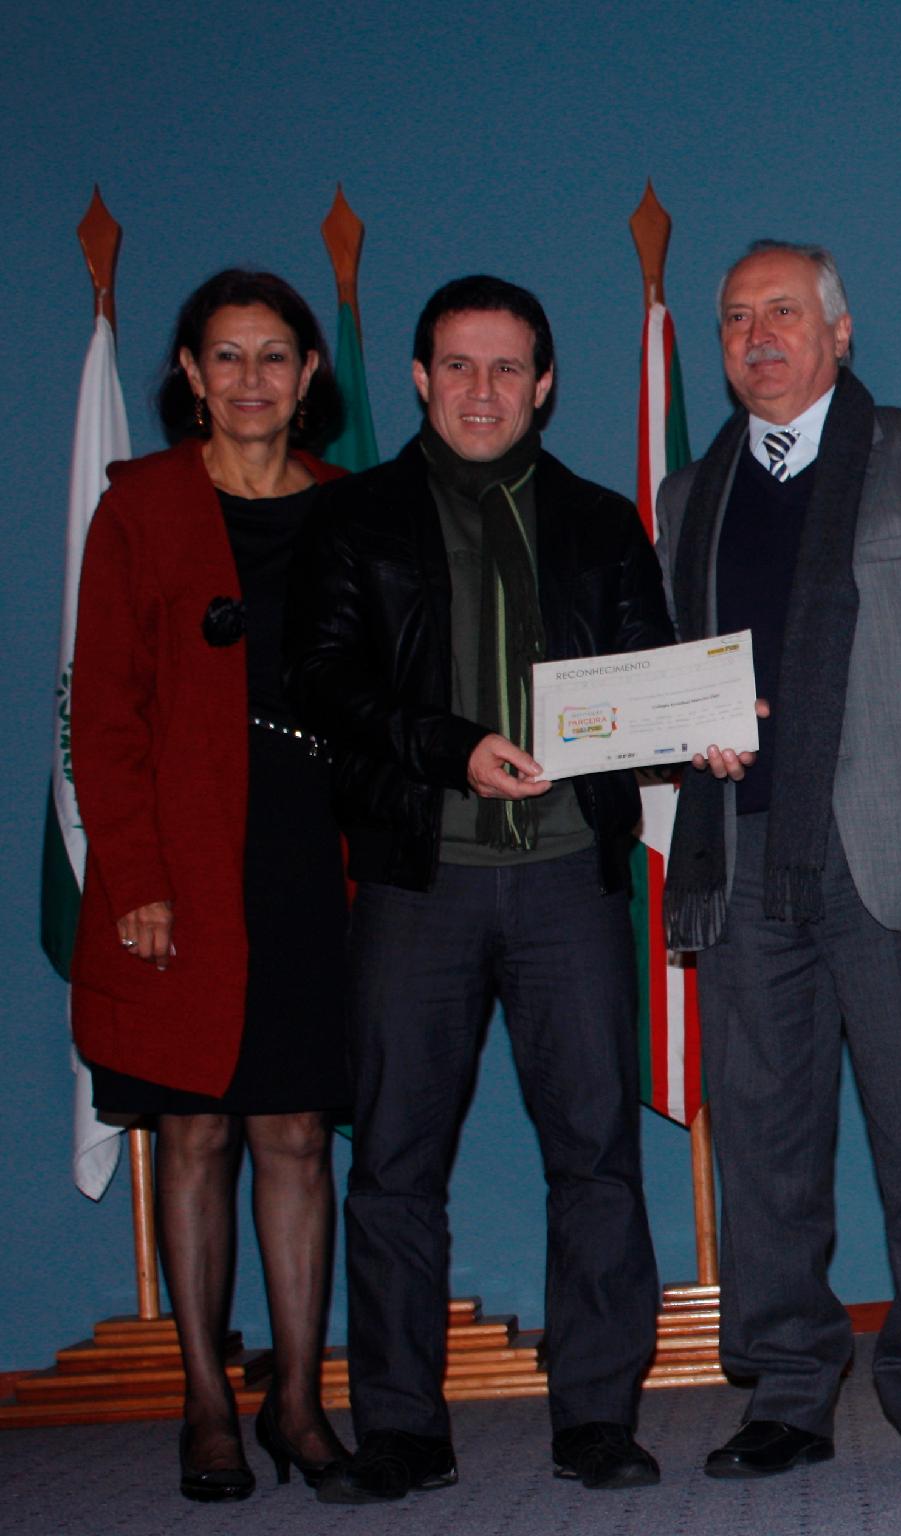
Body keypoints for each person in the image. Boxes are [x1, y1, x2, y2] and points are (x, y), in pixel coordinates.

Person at [286, 274, 670, 1501]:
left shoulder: (602, 523)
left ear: (543, 385)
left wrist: (698, 723)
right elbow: (323, 683)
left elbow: (649, 681)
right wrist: (448, 750)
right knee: (393, 1165)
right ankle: (401, 1429)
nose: (482, 390)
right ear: (417, 378)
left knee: (596, 1159)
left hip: (567, 882)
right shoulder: (351, 519)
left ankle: (597, 1418)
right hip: (418, 881)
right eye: (457, 365)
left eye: (507, 367)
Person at [656, 240, 901, 1477]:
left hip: (898, 852)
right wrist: (687, 730)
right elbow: (680, 678)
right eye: (733, 318)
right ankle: (785, 1391)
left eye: (781, 312)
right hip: (741, 854)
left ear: (838, 330)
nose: (756, 336)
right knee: (762, 1143)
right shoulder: (686, 496)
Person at [71, 269, 351, 1502]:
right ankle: (203, 1402)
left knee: (296, 1132)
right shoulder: (138, 507)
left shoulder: (345, 507)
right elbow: (102, 711)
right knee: (193, 1131)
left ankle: (297, 1402)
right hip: (178, 864)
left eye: (272, 355)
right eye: (225, 356)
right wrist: (133, 873)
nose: (250, 379)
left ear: (307, 374)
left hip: (308, 857)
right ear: (189, 373)